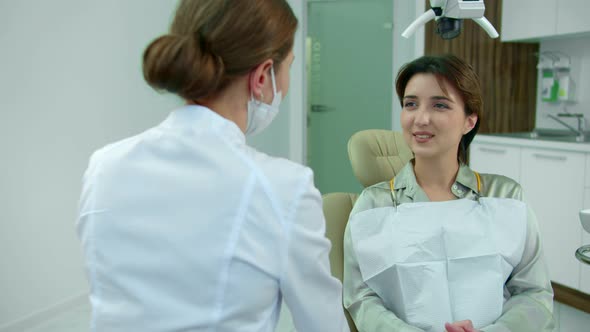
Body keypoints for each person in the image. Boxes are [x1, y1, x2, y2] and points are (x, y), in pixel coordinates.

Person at [77, 1, 349, 331]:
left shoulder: (104, 167)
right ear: (262, 77)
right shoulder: (283, 188)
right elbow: (322, 324)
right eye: (290, 67)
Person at [342, 55, 554, 332]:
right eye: (411, 104)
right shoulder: (372, 205)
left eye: (440, 105)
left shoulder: (506, 197)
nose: (421, 118)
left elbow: (534, 293)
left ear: (469, 121)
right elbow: (360, 297)